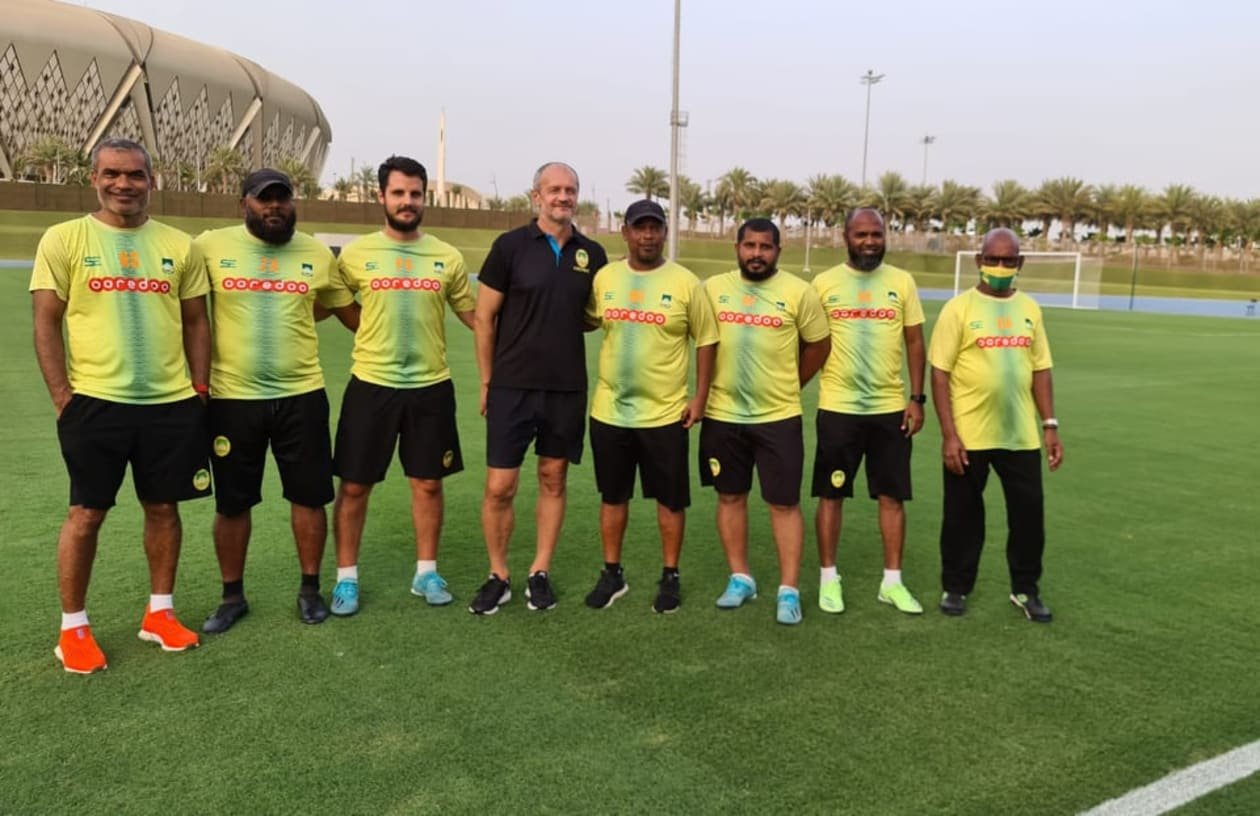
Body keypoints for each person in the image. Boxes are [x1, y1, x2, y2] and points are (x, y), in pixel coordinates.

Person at [30, 137, 211, 673]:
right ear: (94, 178)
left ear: (151, 180)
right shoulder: (64, 238)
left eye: (134, 174)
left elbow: (196, 322)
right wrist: (62, 397)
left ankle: (160, 613)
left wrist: (199, 390)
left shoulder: (180, 245)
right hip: (95, 404)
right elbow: (46, 322)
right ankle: (73, 628)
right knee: (86, 514)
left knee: (164, 508)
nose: (123, 184)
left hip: (170, 404)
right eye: (111, 173)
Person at [194, 169, 360, 634]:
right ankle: (232, 597)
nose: (274, 207)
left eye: (282, 199)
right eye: (263, 199)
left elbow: (349, 313)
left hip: (301, 396)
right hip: (233, 399)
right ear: (243, 204)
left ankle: (310, 590)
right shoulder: (209, 247)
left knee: (309, 497)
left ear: (293, 203)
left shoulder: (316, 253)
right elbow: (187, 311)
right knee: (232, 503)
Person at [328, 155, 475, 616]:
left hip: (431, 388)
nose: (407, 201)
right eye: (398, 193)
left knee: (428, 483)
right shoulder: (356, 254)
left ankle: (426, 572)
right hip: (371, 385)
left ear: (423, 197)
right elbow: (335, 302)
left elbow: (474, 316)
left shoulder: (447, 257)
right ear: (382, 197)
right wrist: (368, 327)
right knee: (354, 486)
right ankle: (346, 578)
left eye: (415, 193)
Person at [470, 161, 609, 614]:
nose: (563, 197)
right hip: (511, 386)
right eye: (554, 189)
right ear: (536, 196)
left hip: (566, 388)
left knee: (553, 478)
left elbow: (595, 315)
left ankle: (539, 571)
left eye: (570, 189)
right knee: (500, 486)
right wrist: (487, 380)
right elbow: (484, 318)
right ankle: (498, 574)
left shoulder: (592, 254)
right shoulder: (510, 247)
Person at [584, 199, 718, 613]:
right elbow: (587, 319)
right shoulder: (605, 278)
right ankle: (612, 574)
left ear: (664, 232)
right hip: (610, 411)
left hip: (665, 415)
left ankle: (670, 576)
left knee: (670, 500)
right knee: (613, 496)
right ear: (625, 232)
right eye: (639, 227)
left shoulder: (686, 283)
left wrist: (700, 397)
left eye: (654, 228)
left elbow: (707, 339)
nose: (647, 235)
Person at [928, 227, 1064, 622]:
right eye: (992, 259)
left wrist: (1050, 424)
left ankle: (1026, 590)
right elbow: (940, 374)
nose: (1000, 267)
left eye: (1008, 261)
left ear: (1020, 263)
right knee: (962, 517)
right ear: (979, 261)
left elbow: (1041, 369)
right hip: (969, 435)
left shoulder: (1030, 309)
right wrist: (949, 435)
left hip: (1020, 435)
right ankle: (956, 588)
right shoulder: (958, 309)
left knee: (1028, 517)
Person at [699, 218, 830, 625]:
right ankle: (741, 578)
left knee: (784, 503)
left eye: (765, 247)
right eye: (750, 246)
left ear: (778, 251)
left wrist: (791, 383)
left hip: (778, 417)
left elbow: (819, 344)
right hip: (722, 415)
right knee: (729, 496)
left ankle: (788, 590)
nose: (757, 254)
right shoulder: (713, 289)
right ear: (737, 248)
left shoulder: (799, 292)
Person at [810, 208, 926, 616]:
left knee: (892, 497)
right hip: (838, 407)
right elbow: (809, 342)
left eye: (876, 234)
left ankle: (891, 583)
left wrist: (917, 398)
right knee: (831, 494)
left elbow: (915, 341)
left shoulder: (902, 282)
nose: (870, 241)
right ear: (846, 237)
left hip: (889, 408)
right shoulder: (823, 284)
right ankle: (829, 579)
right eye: (861, 234)